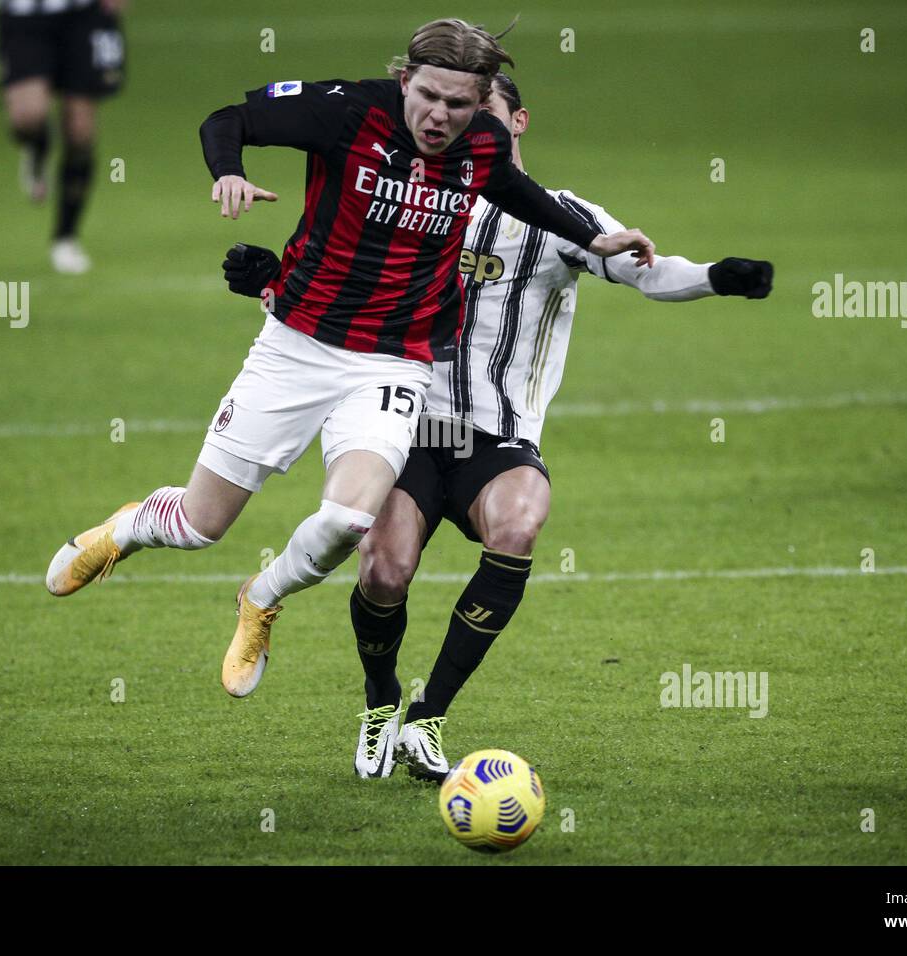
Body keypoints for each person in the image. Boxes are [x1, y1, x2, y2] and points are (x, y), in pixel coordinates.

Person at [44, 19, 657, 704]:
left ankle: (261, 600)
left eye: (459, 104)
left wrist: (595, 240)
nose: (440, 116)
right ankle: (128, 527)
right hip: (296, 346)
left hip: (393, 363)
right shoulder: (346, 110)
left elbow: (519, 195)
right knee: (199, 526)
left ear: (480, 101)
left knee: (347, 521)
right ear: (405, 81)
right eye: (428, 96)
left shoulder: (480, 145)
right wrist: (230, 174)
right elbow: (228, 119)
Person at [224, 72, 774, 779]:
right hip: (410, 423)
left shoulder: (560, 217)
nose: (458, 123)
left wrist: (715, 277)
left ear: (517, 123)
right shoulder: (413, 200)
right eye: (447, 108)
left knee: (520, 520)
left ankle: (428, 717)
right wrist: (273, 279)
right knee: (385, 569)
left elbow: (645, 269)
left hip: (497, 434)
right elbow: (341, 290)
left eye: (478, 111)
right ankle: (380, 700)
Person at [0, 0, 126, 274]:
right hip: (24, 15)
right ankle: (38, 146)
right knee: (26, 118)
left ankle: (66, 237)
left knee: (80, 133)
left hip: (83, 15)